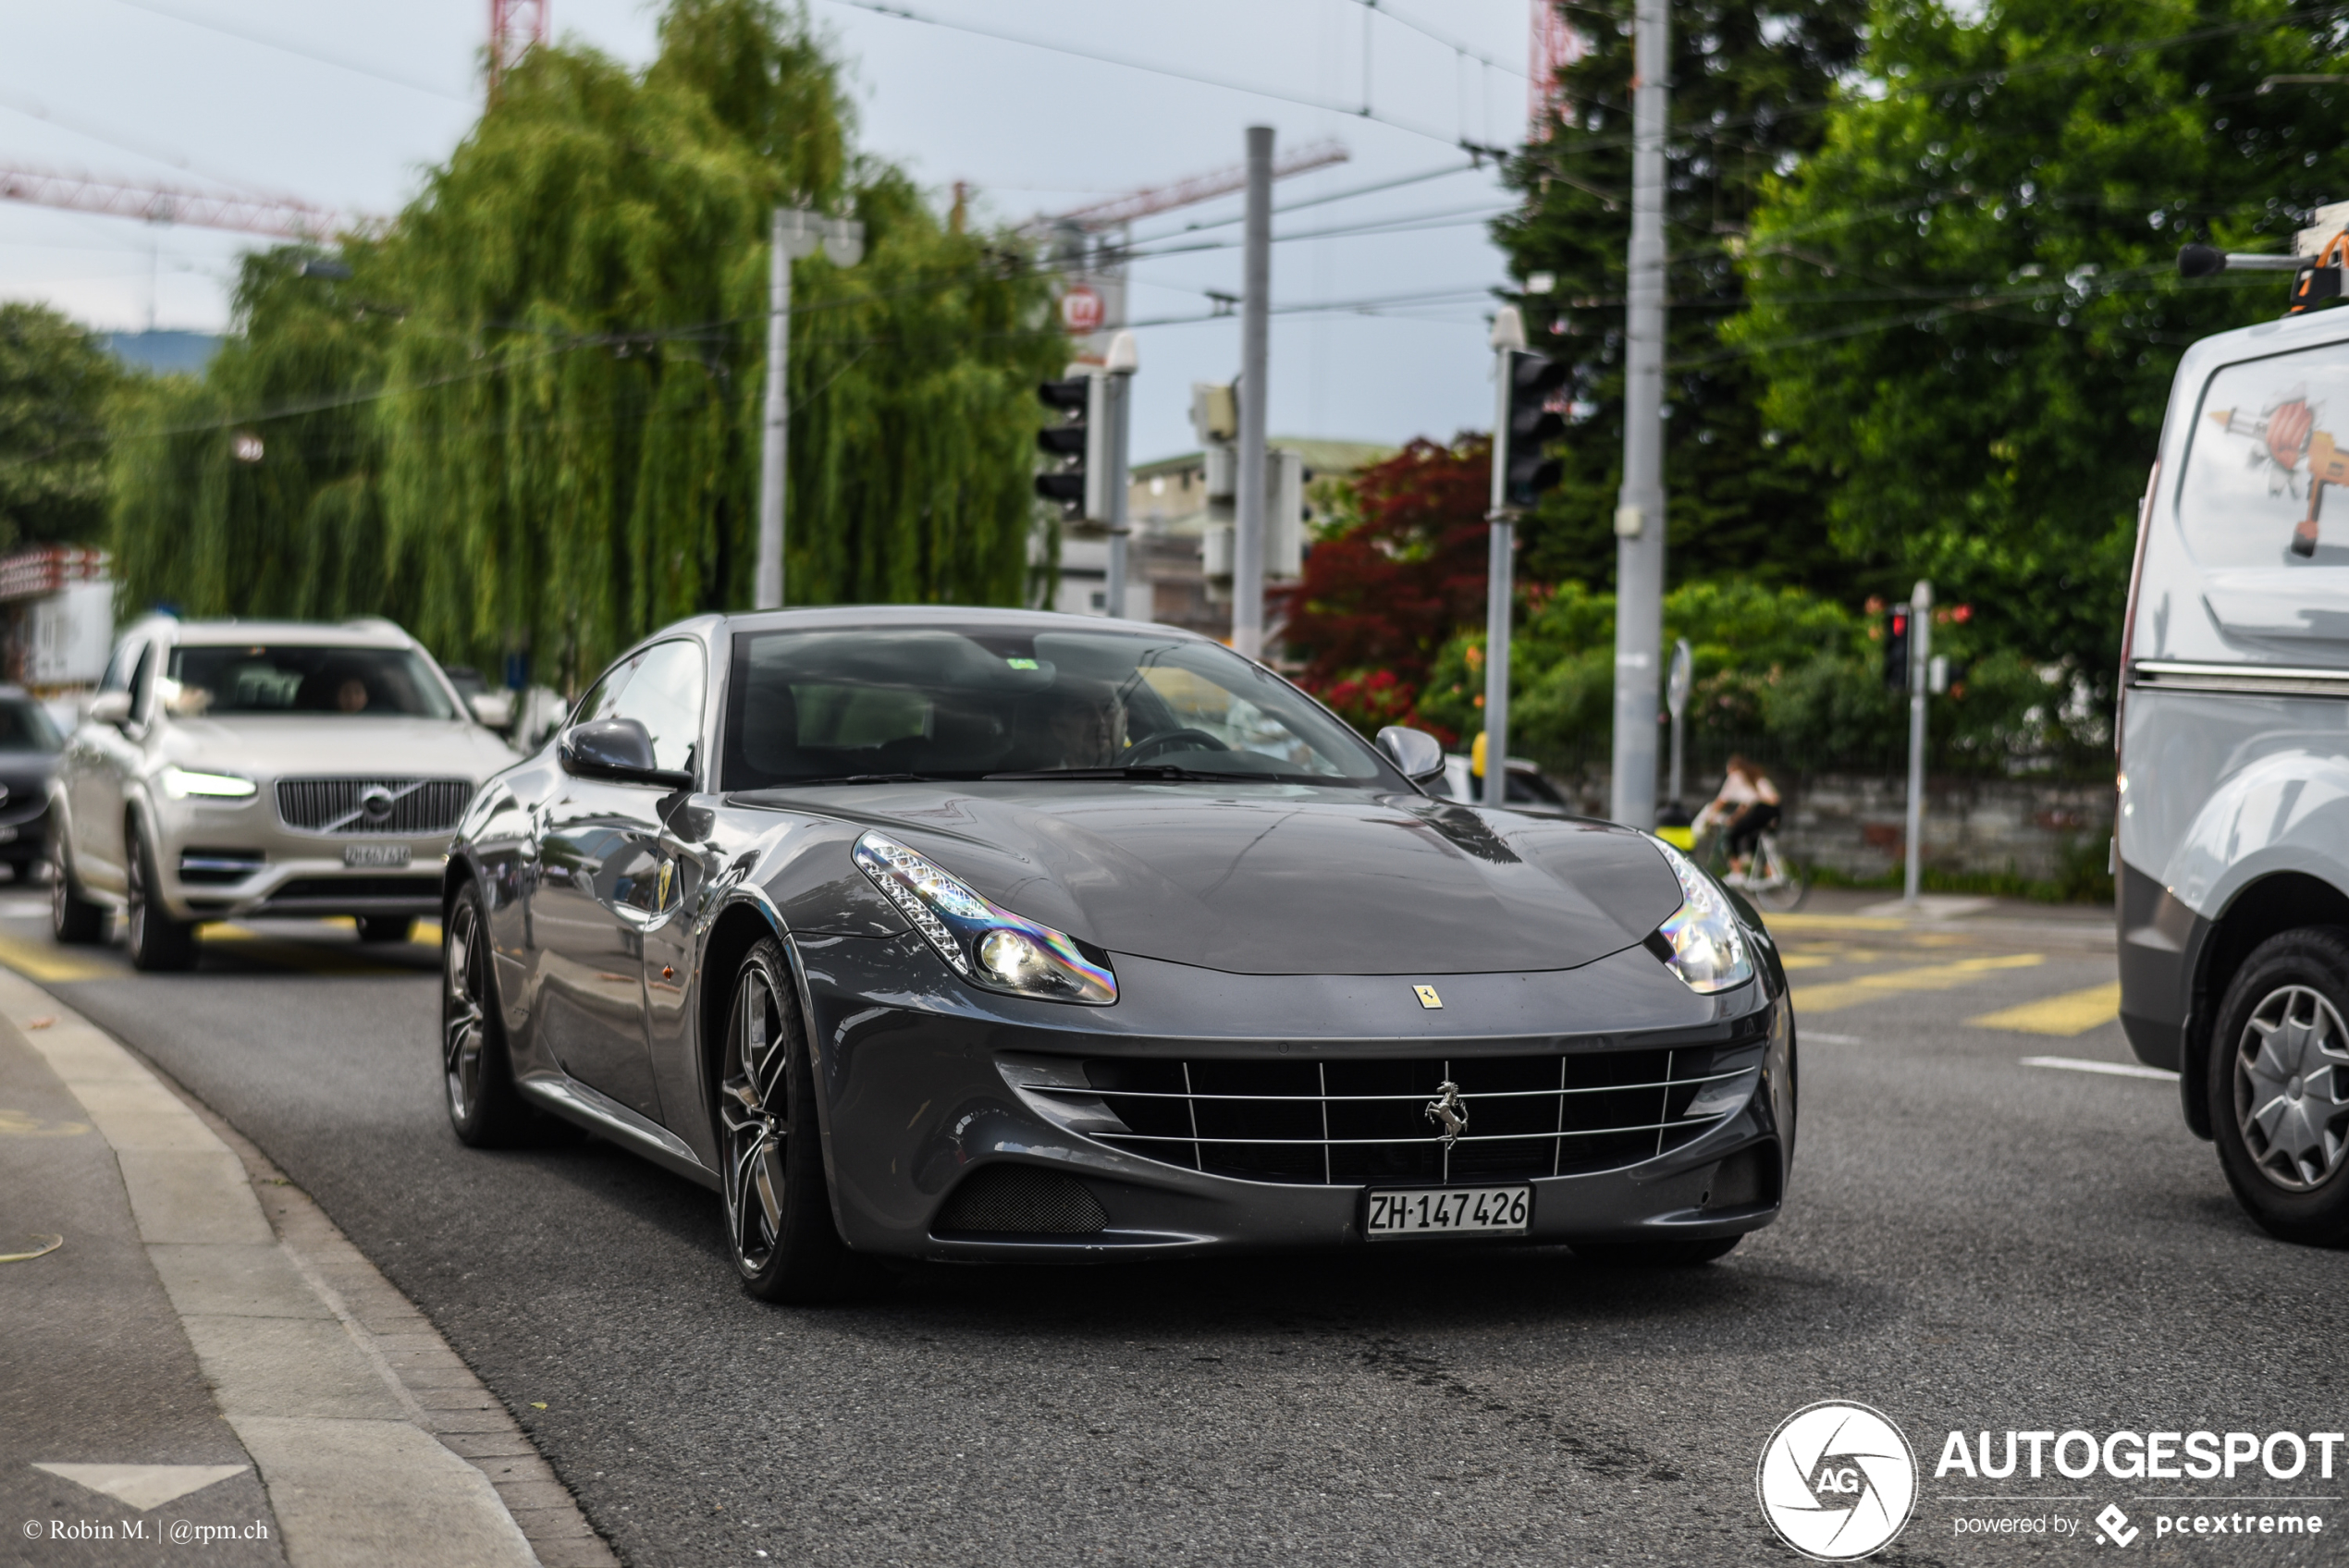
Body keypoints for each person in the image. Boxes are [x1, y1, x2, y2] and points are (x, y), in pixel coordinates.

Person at [1695, 755, 1781, 877]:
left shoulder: (1735, 777)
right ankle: (1771, 874)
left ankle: (1737, 872)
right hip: (1775, 812)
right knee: (1753, 839)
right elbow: (1745, 807)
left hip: (1761, 809)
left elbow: (1721, 801)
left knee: (1732, 836)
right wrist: (1733, 819)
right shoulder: (1754, 777)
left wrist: (1706, 817)